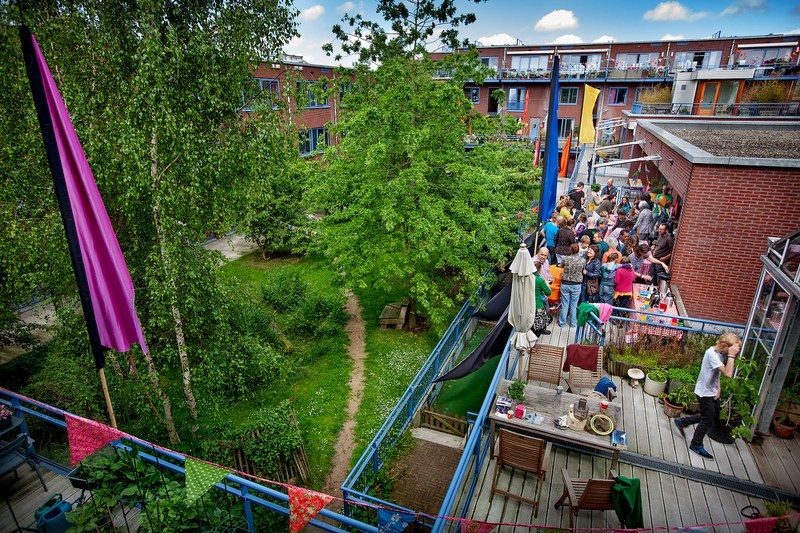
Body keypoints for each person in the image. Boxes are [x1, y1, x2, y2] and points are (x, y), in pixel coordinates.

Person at [674, 333, 742, 460]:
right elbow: (728, 373)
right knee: (707, 420)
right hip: (704, 393)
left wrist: (719, 387)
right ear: (725, 346)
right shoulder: (712, 354)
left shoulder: (720, 353)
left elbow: (718, 373)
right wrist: (732, 355)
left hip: (712, 391)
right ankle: (696, 444)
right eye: (734, 349)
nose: (736, 352)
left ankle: (682, 421)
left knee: (714, 417)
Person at [559, 243, 585, 328]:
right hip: (577, 284)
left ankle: (562, 323)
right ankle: (573, 323)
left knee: (565, 303)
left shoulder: (565, 258)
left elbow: (561, 266)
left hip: (566, 283)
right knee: (574, 304)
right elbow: (583, 269)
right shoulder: (582, 260)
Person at [533, 260, 553, 336]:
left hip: (528, 303)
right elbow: (548, 292)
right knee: (539, 321)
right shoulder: (540, 281)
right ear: (539, 270)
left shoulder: (526, 279)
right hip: (538, 304)